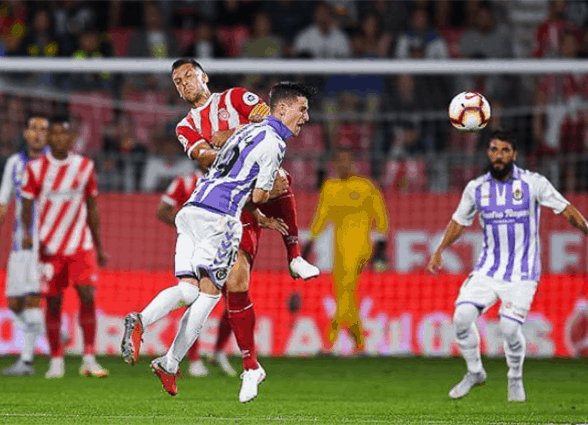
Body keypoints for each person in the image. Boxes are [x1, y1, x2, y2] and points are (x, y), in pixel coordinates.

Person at [120, 59, 318, 383]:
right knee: (218, 291)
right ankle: (242, 362)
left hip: (209, 207)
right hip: (226, 211)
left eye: (188, 76)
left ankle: (152, 331)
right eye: (177, 81)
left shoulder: (235, 98)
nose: (183, 84)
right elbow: (208, 157)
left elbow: (270, 119)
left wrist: (230, 135)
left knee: (196, 290)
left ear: (204, 76)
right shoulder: (184, 126)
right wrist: (239, 140)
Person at [426, 130, 588, 402]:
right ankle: (475, 372)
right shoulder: (476, 188)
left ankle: (514, 378)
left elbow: (565, 207)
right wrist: (441, 249)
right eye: (494, 150)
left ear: (514, 154)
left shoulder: (533, 183)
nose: (498, 156)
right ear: (488, 153)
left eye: (504, 150)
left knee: (510, 329)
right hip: (488, 268)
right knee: (461, 318)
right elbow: (459, 221)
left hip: (522, 273)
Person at [21, 116, 109, 379]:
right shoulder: (35, 169)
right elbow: (26, 205)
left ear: (71, 139)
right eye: (55, 134)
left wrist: (99, 246)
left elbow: (92, 208)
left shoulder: (84, 166)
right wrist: (28, 235)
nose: (59, 138)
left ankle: (89, 358)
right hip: (50, 246)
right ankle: (56, 360)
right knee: (54, 303)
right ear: (48, 139)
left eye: (64, 134)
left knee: (88, 297)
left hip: (80, 245)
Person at [305, 147, 389, 354]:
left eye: (346, 161)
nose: (343, 165)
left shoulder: (366, 186)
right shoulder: (330, 187)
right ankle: (359, 343)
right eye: (339, 162)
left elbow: (381, 217)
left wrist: (381, 247)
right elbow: (321, 217)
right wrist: (308, 244)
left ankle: (330, 340)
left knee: (347, 290)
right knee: (345, 293)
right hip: (339, 247)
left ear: (353, 162)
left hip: (361, 246)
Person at [156, 171, 238, 377]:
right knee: (195, 302)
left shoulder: (231, 180)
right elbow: (162, 210)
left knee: (234, 301)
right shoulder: (183, 182)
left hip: (224, 249)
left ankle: (219, 352)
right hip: (195, 251)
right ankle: (193, 359)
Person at [0, 114, 48, 376]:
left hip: (44, 243)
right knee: (14, 303)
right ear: (25, 133)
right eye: (33, 128)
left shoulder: (55, 164)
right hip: (18, 244)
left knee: (33, 299)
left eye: (43, 129)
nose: (37, 133)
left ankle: (26, 361)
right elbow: (3, 201)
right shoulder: (14, 163)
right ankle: (51, 329)